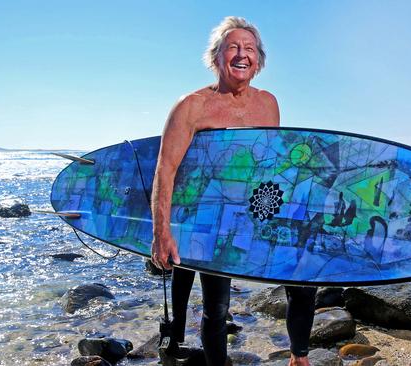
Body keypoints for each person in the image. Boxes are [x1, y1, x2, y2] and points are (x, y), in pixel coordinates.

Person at [150, 16, 317, 366]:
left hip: (257, 212)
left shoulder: (269, 104)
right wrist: (161, 233)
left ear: (259, 61)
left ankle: (298, 355)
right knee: (216, 306)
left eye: (250, 49)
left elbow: (270, 165)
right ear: (216, 58)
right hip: (212, 214)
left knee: (303, 277)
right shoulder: (191, 107)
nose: (242, 55)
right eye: (233, 48)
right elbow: (166, 170)